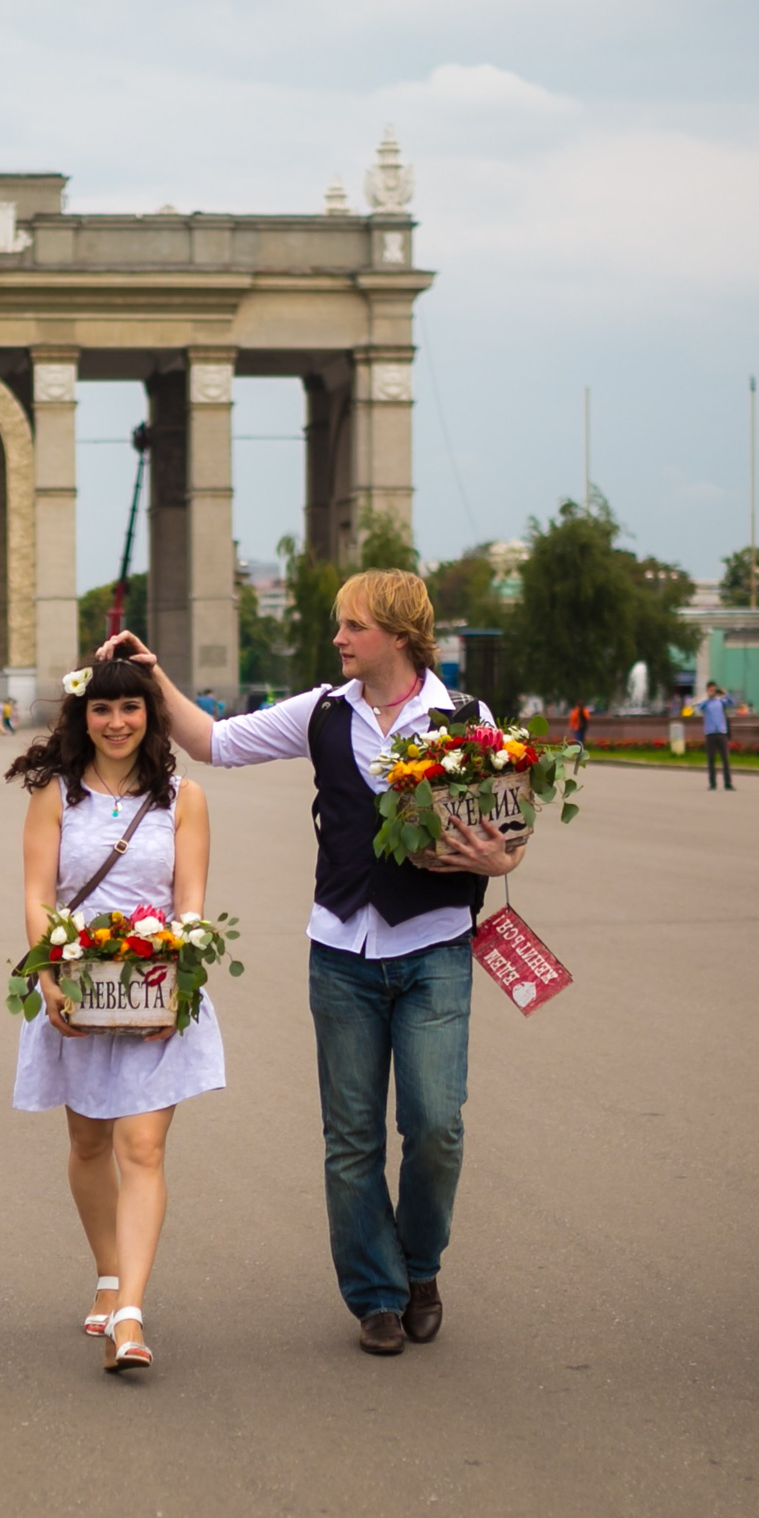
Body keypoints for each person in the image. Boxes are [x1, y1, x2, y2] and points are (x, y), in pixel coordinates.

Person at [105, 569, 521, 1356]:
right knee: (352, 1134)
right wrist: (154, 679)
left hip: (433, 942)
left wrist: (499, 862)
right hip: (341, 948)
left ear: (397, 634)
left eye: (352, 626)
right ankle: (376, 1294)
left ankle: (420, 1266)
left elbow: (508, 828)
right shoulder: (325, 710)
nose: (338, 638)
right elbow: (215, 743)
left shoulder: (465, 718)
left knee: (436, 1125)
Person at [5, 648, 226, 1371]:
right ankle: (108, 1271)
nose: (117, 720)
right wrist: (46, 980)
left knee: (143, 1147)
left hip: (157, 990)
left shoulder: (182, 797)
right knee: (91, 1144)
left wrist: (181, 981)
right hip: (79, 992)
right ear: (83, 714)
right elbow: (40, 897)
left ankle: (129, 1313)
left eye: (130, 706)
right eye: (102, 707)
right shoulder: (56, 796)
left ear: (149, 713)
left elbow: (189, 902)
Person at [699, 680, 734, 790]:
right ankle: (712, 783)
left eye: (714, 690)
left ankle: (728, 783)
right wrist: (707, 697)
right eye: (711, 690)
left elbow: (732, 703)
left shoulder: (721, 701)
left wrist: (725, 693)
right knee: (711, 760)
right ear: (707, 690)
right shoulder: (705, 703)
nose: (713, 692)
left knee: (725, 759)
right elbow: (699, 708)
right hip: (710, 734)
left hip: (721, 733)